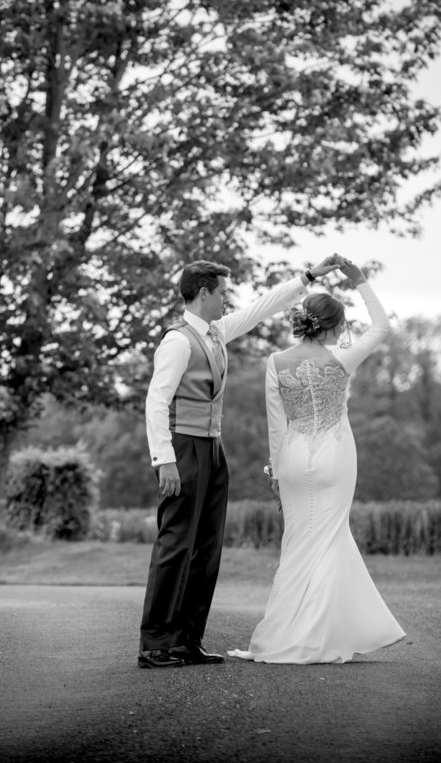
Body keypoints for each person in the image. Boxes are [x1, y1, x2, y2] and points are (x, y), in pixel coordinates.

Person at [138, 255, 342, 669]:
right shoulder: (178, 341)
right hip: (183, 448)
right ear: (202, 293)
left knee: (207, 549)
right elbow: (156, 401)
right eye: (221, 294)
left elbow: (259, 309)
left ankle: (186, 642)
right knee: (176, 544)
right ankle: (156, 644)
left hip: (213, 449)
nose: (226, 301)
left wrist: (308, 278)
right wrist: (165, 460)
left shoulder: (215, 332)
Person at [228, 254, 406, 664]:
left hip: (291, 458)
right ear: (335, 325)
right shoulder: (342, 358)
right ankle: (314, 636)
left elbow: (276, 424)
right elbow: (381, 326)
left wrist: (274, 471)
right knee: (328, 538)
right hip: (334, 454)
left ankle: (290, 633)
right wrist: (360, 281)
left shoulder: (274, 362)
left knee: (297, 543)